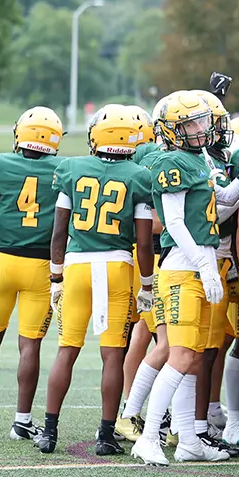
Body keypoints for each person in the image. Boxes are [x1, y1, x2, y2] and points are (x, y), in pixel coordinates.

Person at [41, 106, 156, 456]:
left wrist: (55, 276)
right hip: (116, 267)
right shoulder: (138, 175)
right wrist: (148, 285)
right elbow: (144, 240)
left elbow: (59, 230)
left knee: (67, 351)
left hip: (76, 266)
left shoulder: (72, 169)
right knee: (111, 356)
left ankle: (48, 432)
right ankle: (106, 436)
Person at [130, 91, 228, 467]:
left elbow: (222, 200)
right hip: (182, 269)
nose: (201, 130)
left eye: (201, 122)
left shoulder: (196, 159)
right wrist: (204, 265)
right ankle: (149, 436)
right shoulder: (172, 162)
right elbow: (173, 222)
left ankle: (188, 439)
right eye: (190, 124)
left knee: (193, 357)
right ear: (172, 131)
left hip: (198, 264)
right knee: (181, 354)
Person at [0, 107, 64, 441]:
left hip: (4, 262)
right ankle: (21, 421)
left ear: (20, 134)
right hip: (42, 268)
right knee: (29, 346)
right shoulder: (64, 170)